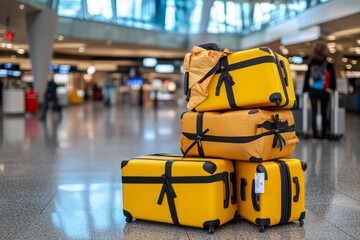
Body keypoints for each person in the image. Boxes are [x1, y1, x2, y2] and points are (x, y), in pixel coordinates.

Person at [303, 40, 336, 139]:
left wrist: (305, 89)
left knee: (314, 113)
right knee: (324, 113)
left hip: (313, 90)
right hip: (325, 91)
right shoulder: (328, 63)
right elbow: (333, 78)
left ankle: (315, 136)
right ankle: (324, 136)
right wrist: (332, 88)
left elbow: (307, 77)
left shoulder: (311, 62)